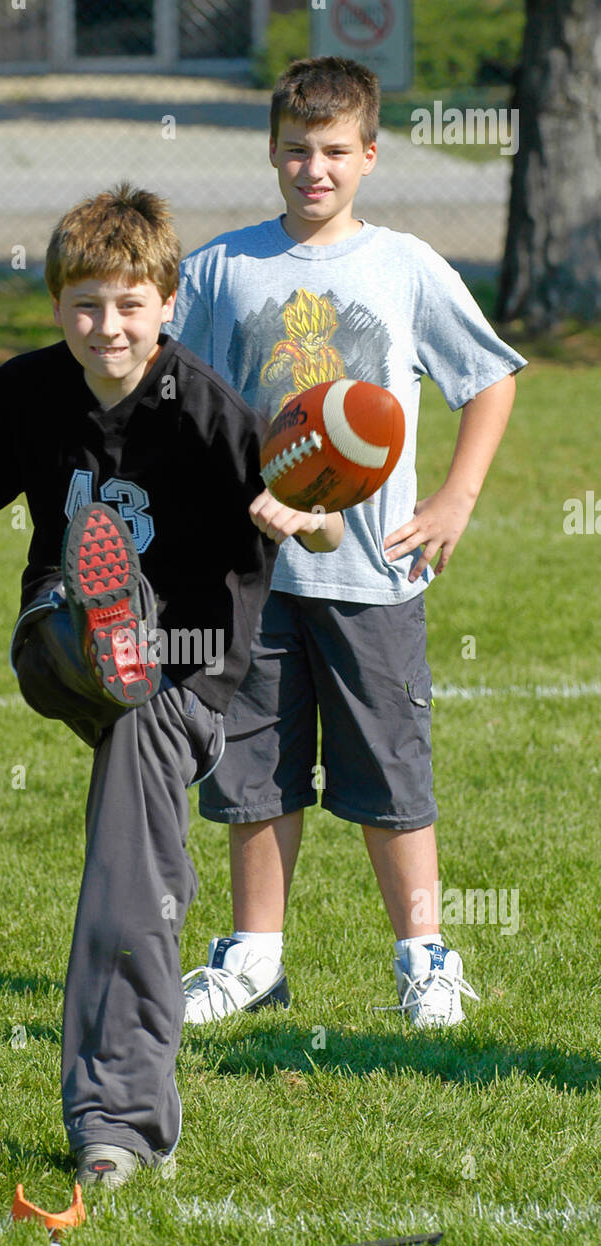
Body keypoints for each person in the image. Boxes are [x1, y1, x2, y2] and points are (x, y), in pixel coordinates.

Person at [0, 184, 344, 1192]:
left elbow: (322, 517)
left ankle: (116, 1125)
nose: (105, 326)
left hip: (188, 673)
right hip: (63, 644)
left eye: (127, 304)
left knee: (130, 886)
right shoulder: (24, 394)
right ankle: (100, 621)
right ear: (55, 307)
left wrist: (303, 518)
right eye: (84, 304)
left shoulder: (210, 407)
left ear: (167, 304)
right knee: (72, 614)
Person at [171, 58, 526, 1029]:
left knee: (388, 774)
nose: (311, 169)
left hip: (373, 574)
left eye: (332, 151)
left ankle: (422, 958)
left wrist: (455, 496)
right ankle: (251, 957)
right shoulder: (220, 269)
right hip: (250, 576)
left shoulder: (403, 265)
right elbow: (181, 400)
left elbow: (486, 378)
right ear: (270, 154)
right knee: (250, 770)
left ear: (369, 155)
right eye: (295, 150)